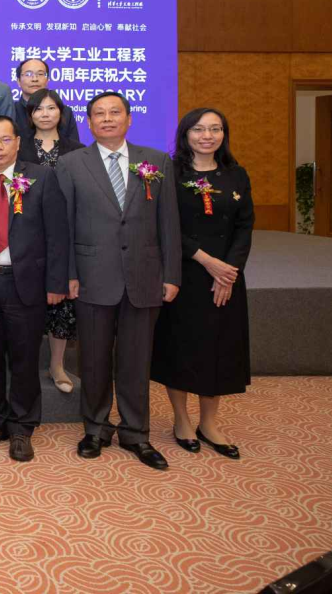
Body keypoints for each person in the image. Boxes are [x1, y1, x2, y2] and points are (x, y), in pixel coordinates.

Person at [55, 91, 181, 471]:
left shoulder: (156, 161)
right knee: (93, 360)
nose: (107, 118)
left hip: (144, 275)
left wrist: (172, 274)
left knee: (136, 360)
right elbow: (64, 226)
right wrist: (69, 273)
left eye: (115, 112)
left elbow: (169, 223)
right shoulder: (71, 164)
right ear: (89, 122)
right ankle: (95, 429)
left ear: (129, 118)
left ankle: (135, 433)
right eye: (99, 113)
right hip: (92, 277)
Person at [152, 108, 252, 460]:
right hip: (183, 273)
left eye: (215, 129)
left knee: (219, 348)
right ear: (186, 134)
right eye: (198, 129)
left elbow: (244, 225)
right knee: (180, 347)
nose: (207, 136)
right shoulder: (169, 172)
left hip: (226, 277)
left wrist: (229, 270)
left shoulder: (236, 174)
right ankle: (181, 420)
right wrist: (206, 261)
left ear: (224, 134)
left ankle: (209, 423)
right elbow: (165, 225)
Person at [0, 116, 68, 463]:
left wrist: (56, 282)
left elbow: (57, 233)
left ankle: (23, 426)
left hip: (26, 283)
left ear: (18, 142)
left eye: (4, 140)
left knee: (25, 358)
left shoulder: (41, 176)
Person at [16, 88, 85, 394]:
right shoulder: (18, 147)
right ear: (30, 115)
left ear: (61, 112)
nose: (45, 114)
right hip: (26, 232)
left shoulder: (77, 150)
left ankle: (57, 365)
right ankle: (24, 364)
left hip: (65, 231)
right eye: (38, 109)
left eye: (51, 108)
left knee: (62, 305)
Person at [12, 60, 79, 142]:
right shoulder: (11, 111)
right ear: (18, 81)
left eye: (40, 74)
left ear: (47, 80)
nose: (35, 79)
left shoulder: (65, 111)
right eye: (28, 74)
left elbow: (74, 146)